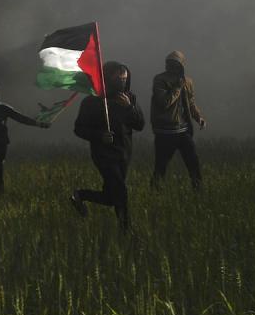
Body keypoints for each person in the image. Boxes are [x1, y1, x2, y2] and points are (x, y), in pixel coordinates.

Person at [71, 61, 145, 230]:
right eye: (118, 79)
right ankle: (125, 231)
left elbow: (140, 125)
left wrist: (129, 108)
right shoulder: (91, 101)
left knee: (112, 196)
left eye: (125, 79)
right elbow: (79, 129)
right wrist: (99, 136)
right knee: (121, 192)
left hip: (124, 153)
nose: (122, 82)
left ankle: (80, 195)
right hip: (103, 154)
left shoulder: (129, 98)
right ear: (107, 78)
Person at [150, 50, 206, 189]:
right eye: (169, 63)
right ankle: (155, 192)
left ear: (181, 65)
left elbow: (191, 102)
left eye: (175, 63)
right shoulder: (160, 80)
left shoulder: (188, 81)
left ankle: (198, 191)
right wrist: (177, 87)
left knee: (193, 163)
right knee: (161, 166)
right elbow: (164, 102)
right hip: (165, 132)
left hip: (184, 131)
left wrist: (198, 117)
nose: (171, 66)